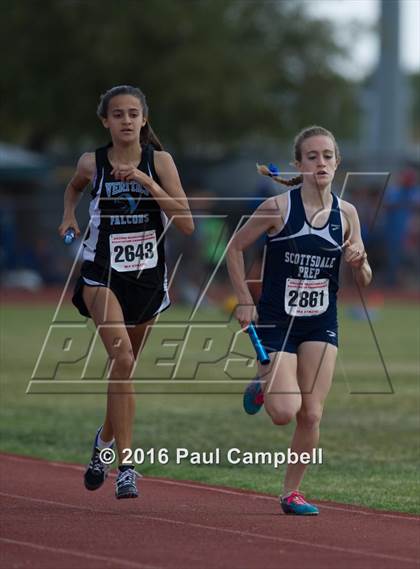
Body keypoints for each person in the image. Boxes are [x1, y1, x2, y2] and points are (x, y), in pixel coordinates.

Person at [226, 126, 372, 515]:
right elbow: (235, 248)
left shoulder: (349, 214)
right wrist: (243, 299)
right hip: (276, 322)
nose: (321, 162)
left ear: (337, 162)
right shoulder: (278, 208)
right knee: (284, 413)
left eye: (327, 155)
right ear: (299, 164)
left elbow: (364, 277)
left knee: (311, 412)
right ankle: (262, 382)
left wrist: (359, 261)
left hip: (320, 323)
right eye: (312, 156)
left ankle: (291, 493)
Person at [58, 85, 194, 499]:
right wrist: (68, 216)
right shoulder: (92, 161)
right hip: (102, 274)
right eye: (117, 114)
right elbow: (75, 187)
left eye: (133, 113)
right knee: (122, 356)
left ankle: (102, 443)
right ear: (106, 121)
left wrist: (144, 181)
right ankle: (127, 466)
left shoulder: (160, 162)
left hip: (148, 278)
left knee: (125, 369)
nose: (126, 120)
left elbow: (186, 223)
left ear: (144, 119)